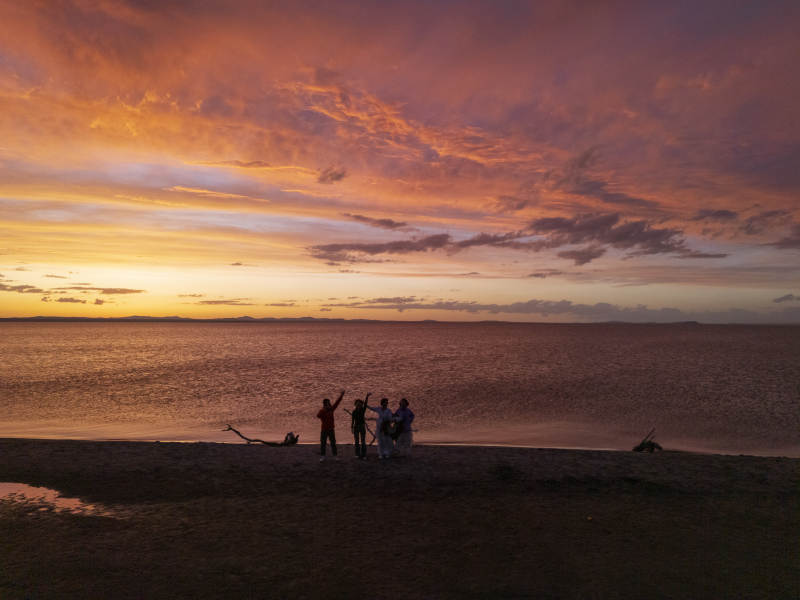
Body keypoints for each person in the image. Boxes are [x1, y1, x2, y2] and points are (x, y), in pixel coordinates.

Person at [317, 390, 344, 461]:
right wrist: (325, 410)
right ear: (324, 404)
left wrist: (341, 395)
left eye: (328, 403)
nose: (328, 404)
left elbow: (337, 403)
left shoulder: (332, 409)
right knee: (323, 443)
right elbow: (318, 416)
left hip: (331, 429)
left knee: (333, 443)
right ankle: (322, 456)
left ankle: (335, 456)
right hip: (324, 430)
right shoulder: (322, 411)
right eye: (326, 403)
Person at [351, 393, 370, 460]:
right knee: (356, 441)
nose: (358, 405)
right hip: (356, 427)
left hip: (362, 426)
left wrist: (367, 397)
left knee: (363, 441)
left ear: (361, 405)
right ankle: (357, 454)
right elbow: (352, 420)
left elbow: (365, 404)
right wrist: (352, 428)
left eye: (360, 404)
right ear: (355, 404)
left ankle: (364, 455)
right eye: (357, 404)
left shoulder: (363, 410)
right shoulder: (354, 412)